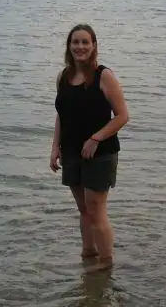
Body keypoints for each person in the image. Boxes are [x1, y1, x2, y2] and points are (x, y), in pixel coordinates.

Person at [50, 24, 129, 273]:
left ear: (94, 46)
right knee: (83, 209)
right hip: (72, 152)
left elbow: (122, 116)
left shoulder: (104, 75)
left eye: (85, 42)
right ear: (69, 46)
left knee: (96, 208)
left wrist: (95, 138)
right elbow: (62, 114)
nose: (80, 47)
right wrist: (55, 147)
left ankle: (106, 265)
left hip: (100, 153)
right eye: (75, 42)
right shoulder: (65, 76)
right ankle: (88, 255)